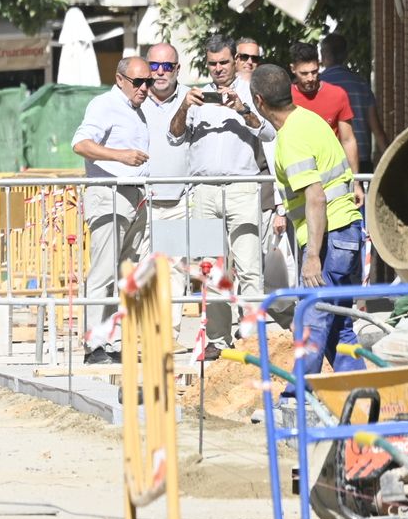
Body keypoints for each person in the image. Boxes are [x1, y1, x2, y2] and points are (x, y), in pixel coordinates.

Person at [251, 63, 365, 373]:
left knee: (312, 322)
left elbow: (315, 197)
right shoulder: (310, 119)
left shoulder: (291, 138)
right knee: (338, 327)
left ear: (259, 101)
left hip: (330, 239)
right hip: (346, 232)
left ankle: (297, 394)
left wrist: (313, 255)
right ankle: (360, 391)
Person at [167, 35, 275, 357]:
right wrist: (185, 106)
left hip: (242, 188)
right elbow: (173, 137)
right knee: (211, 270)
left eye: (224, 62)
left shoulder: (251, 92)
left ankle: (253, 336)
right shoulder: (195, 95)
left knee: (249, 266)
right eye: (212, 63)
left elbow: (269, 132)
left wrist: (243, 110)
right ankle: (217, 338)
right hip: (203, 191)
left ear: (236, 60)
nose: (218, 69)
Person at [71, 56, 152, 365]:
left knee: (125, 274)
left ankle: (113, 341)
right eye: (138, 82)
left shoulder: (136, 110)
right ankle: (93, 344)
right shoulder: (105, 105)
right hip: (109, 194)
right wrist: (120, 156)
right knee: (103, 272)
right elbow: (80, 143)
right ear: (120, 80)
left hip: (133, 196)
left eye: (148, 82)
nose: (144, 88)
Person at [140, 42, 190, 320]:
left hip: (180, 202)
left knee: (175, 270)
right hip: (142, 201)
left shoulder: (192, 99)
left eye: (167, 66)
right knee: (140, 270)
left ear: (177, 69)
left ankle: (170, 334)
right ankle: (142, 333)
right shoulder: (133, 98)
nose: (160, 72)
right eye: (154, 66)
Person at [287, 42, 361, 198]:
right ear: (293, 69)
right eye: (304, 73)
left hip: (333, 181)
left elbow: (348, 140)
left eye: (314, 72)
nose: (310, 78)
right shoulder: (286, 98)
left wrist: (355, 183)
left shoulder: (337, 95)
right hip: (297, 181)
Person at [318, 32, 388, 173]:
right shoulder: (361, 85)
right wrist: (391, 161)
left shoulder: (318, 85)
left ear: (323, 55)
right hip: (361, 162)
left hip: (328, 162)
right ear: (345, 55)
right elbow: (377, 131)